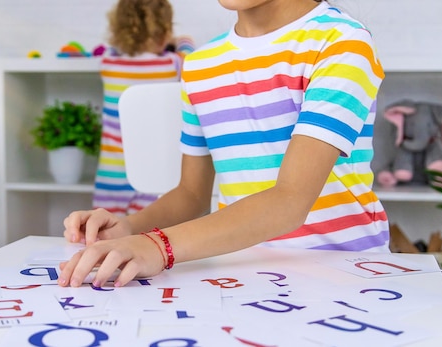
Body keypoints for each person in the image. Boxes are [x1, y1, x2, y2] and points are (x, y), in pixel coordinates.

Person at [60, 0, 389, 288]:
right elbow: (191, 194)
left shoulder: (343, 42)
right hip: (240, 270)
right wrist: (130, 227)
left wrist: (158, 246)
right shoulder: (201, 64)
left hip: (345, 271)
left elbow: (290, 201)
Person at [93, 0, 194, 216]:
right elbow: (190, 51)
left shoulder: (108, 63)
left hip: (112, 173)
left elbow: (112, 48)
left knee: (103, 230)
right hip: (156, 171)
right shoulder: (173, 64)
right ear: (164, 31)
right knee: (147, 235)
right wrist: (180, 40)